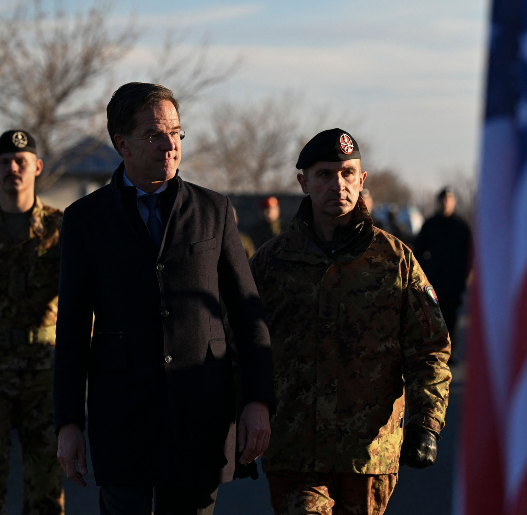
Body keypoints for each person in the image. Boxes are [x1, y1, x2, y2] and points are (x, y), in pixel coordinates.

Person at [52, 82, 277, 515]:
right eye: (155, 135)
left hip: (201, 416)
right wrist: (68, 423)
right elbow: (74, 329)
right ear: (123, 145)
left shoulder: (215, 211)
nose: (170, 145)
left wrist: (257, 400)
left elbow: (248, 314)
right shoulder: (85, 220)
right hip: (123, 417)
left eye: (176, 132)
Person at [249, 128, 451, 515]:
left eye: (346, 174)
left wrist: (426, 424)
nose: (337, 185)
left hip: (369, 453)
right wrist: (241, 418)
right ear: (304, 183)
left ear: (361, 180)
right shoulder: (271, 263)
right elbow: (243, 346)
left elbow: (430, 348)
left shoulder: (395, 260)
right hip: (295, 450)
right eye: (325, 174)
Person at [0, 130, 64, 515]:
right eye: (5, 161)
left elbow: (86, 298)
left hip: (46, 366)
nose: (13, 168)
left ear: (37, 168)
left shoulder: (62, 228)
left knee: (45, 478)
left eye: (21, 161)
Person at [414, 187, 473, 344]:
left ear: (453, 202)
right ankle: (436, 351)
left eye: (449, 199)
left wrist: (468, 275)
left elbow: (470, 253)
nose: (446, 203)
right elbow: (419, 252)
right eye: (443, 200)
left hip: (454, 281)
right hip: (434, 280)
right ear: (438, 202)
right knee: (433, 317)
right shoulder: (430, 225)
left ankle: (450, 350)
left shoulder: (461, 227)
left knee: (452, 318)